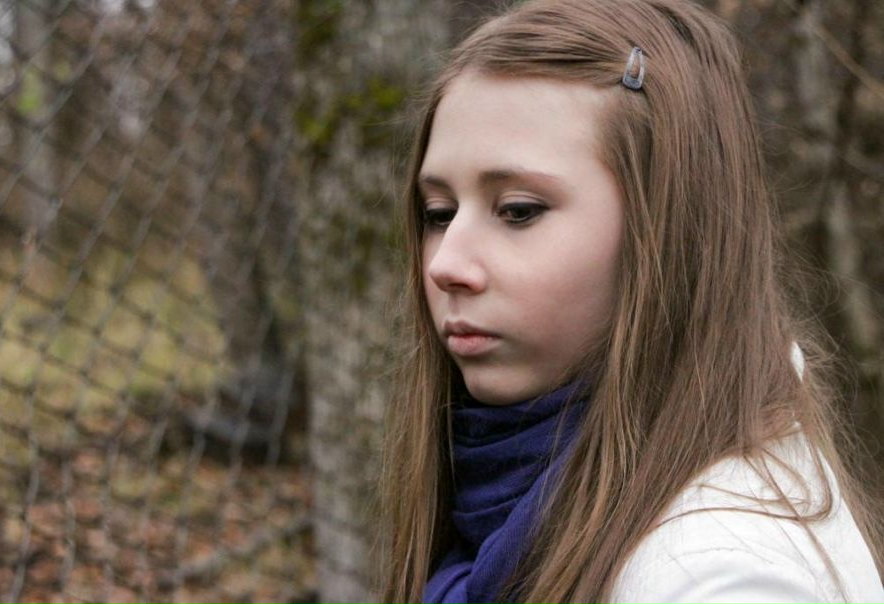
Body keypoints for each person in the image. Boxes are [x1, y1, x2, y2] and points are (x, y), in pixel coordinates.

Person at [377, 0, 884, 602]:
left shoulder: (721, 575)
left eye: (517, 211)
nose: (446, 265)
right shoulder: (498, 506)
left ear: (668, 234)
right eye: (439, 213)